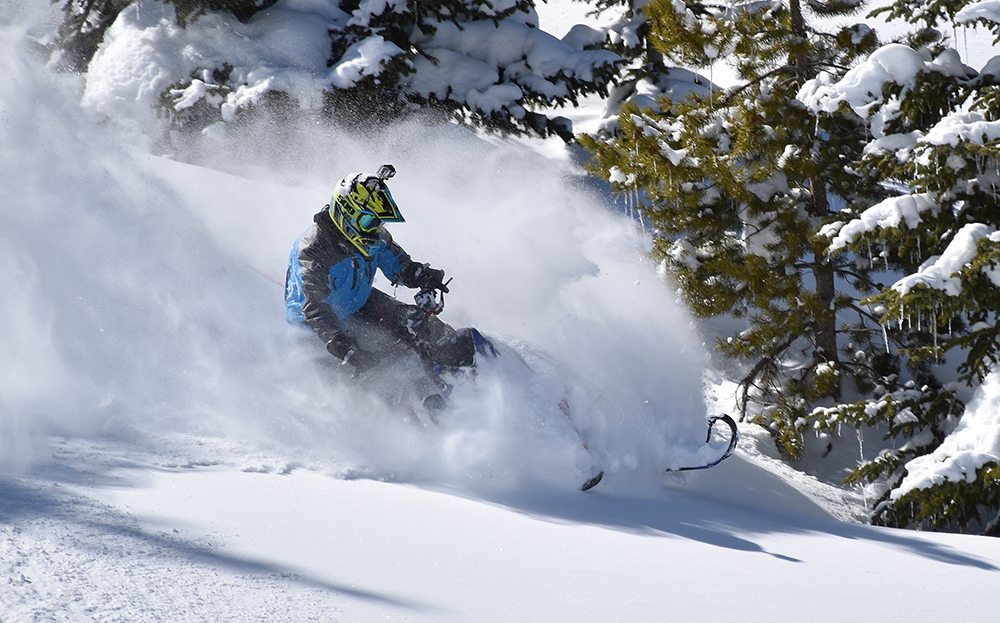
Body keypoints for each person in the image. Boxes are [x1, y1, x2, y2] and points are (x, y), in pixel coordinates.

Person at [285, 164, 484, 382]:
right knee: (380, 369)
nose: (376, 229)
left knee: (414, 321)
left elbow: (399, 264)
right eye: (370, 222)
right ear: (347, 213)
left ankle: (469, 362)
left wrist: (422, 276)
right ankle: (419, 395)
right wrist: (344, 347)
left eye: (379, 222)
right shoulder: (313, 252)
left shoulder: (371, 238)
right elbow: (315, 308)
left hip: (357, 302)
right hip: (319, 330)